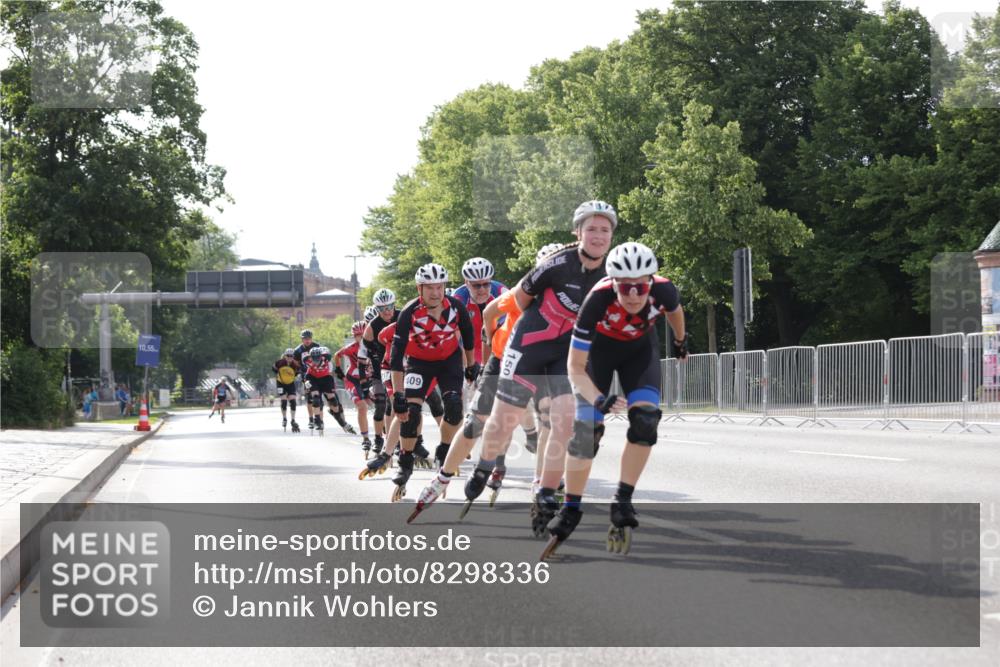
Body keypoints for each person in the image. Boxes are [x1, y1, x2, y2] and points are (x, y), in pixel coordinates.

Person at [462, 200, 616, 534]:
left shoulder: (612, 274)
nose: (598, 236)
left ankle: (545, 495)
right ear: (578, 232)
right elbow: (519, 301)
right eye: (591, 229)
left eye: (605, 230)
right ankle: (483, 466)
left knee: (563, 423)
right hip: (529, 344)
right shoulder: (556, 263)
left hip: (566, 354)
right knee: (503, 422)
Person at [541, 242, 687, 560]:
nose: (633, 294)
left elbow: (676, 313)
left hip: (640, 353)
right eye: (625, 287)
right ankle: (571, 509)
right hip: (597, 357)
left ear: (651, 280)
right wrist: (599, 399)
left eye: (640, 286)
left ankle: (623, 499)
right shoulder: (596, 300)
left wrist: (679, 341)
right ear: (613, 283)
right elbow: (574, 368)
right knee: (586, 432)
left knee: (646, 422)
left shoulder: (664, 290)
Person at [410, 244, 564, 521]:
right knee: (475, 421)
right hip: (502, 354)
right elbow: (489, 314)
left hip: (539, 362)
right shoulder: (518, 292)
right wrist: (490, 343)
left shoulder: (571, 297)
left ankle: (541, 484)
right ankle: (442, 479)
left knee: (549, 421)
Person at [385, 263, 476, 502]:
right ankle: (405, 463)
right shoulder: (409, 312)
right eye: (430, 288)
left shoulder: (456, 307)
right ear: (419, 288)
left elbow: (468, 336)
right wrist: (398, 395)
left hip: (449, 362)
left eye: (440, 287)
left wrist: (471, 365)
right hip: (419, 363)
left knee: (455, 407)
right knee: (410, 412)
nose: (436, 292)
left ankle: (443, 452)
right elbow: (396, 357)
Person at [359, 288, 398, 454]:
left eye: (390, 307)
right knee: (382, 404)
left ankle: (413, 440)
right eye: (382, 309)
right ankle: (378, 439)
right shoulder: (372, 326)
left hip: (401, 366)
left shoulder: (402, 316)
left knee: (404, 404)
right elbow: (363, 356)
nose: (387, 311)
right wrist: (363, 382)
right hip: (380, 370)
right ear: (377, 309)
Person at [335, 321, 374, 454]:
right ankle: (365, 438)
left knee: (381, 406)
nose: (361, 338)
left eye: (363, 335)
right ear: (354, 336)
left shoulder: (373, 346)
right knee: (362, 407)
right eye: (357, 335)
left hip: (368, 380)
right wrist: (339, 370)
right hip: (353, 381)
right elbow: (337, 355)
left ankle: (383, 436)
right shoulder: (351, 348)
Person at [301, 346, 356, 434]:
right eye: (313, 358)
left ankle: (341, 421)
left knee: (334, 402)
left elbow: (331, 372)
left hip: (325, 378)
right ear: (310, 357)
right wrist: (305, 383)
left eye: (317, 358)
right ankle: (317, 420)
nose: (315, 360)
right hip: (313, 378)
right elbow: (304, 373)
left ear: (321, 356)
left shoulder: (327, 359)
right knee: (315, 398)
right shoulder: (306, 359)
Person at [293, 329, 321, 429]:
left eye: (309, 339)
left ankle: (319, 419)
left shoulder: (317, 346)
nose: (307, 341)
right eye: (305, 339)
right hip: (306, 376)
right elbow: (296, 362)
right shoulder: (297, 350)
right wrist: (300, 370)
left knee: (318, 397)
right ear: (302, 339)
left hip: (318, 374)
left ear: (311, 339)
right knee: (310, 398)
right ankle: (311, 419)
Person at [272, 348, 301, 432]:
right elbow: (273, 368)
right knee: (284, 401)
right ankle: (284, 418)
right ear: (285, 356)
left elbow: (298, 372)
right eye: (288, 356)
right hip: (281, 383)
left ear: (293, 357)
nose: (289, 358)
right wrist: (277, 372)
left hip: (290, 383)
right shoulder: (280, 362)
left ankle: (293, 419)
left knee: (293, 401)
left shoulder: (295, 365)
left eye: (291, 356)